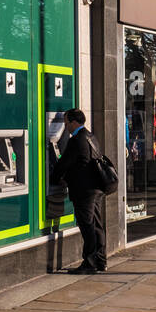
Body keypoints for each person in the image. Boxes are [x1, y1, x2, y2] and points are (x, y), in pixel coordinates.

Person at [52, 108, 107, 274]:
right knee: (97, 225)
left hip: (84, 190)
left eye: (67, 122)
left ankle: (89, 263)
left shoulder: (77, 140)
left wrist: (53, 178)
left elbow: (64, 163)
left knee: (87, 226)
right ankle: (101, 261)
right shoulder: (91, 136)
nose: (66, 126)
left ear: (74, 122)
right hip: (96, 188)